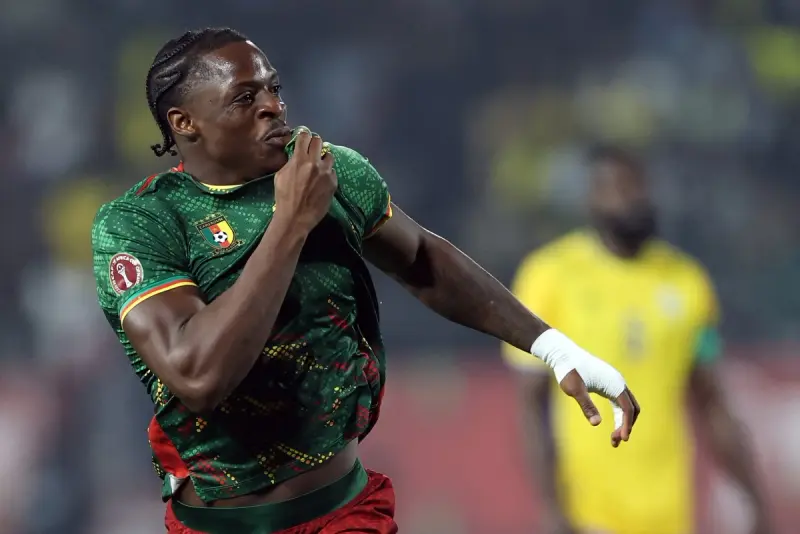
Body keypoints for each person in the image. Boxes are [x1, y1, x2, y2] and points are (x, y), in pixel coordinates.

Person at [91, 28, 640, 534]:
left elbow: (424, 259)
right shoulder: (141, 223)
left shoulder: (328, 171)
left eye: (274, 89)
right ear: (185, 122)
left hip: (344, 514)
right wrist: (290, 223)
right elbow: (198, 376)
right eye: (244, 97)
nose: (273, 107)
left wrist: (552, 346)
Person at [503, 146, 770, 534]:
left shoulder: (687, 283)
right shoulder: (549, 278)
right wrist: (552, 510)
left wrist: (755, 501)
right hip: (589, 514)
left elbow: (711, 400)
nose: (634, 200)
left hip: (667, 514)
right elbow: (532, 405)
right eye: (619, 188)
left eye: (639, 187)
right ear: (593, 198)